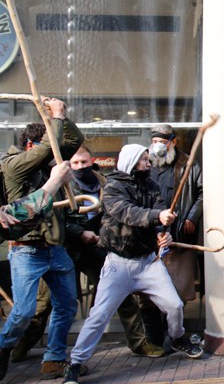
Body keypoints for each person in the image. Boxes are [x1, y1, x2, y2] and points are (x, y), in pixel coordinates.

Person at [62, 144, 203, 384]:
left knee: (175, 305)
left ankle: (178, 337)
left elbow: (159, 214)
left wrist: (164, 232)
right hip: (118, 265)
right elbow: (128, 213)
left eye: (148, 160)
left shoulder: (151, 186)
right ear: (131, 162)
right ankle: (75, 363)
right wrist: (156, 217)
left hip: (149, 262)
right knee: (99, 315)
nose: (149, 164)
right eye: (144, 160)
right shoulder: (113, 188)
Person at [10, 147, 165, 363]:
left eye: (84, 162)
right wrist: (80, 232)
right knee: (45, 305)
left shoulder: (104, 182)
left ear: (91, 160)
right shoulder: (62, 184)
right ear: (69, 165)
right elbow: (56, 217)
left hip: (96, 248)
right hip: (65, 248)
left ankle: (139, 342)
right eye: (76, 164)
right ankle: (20, 348)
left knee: (122, 296)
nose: (81, 167)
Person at [0, 98, 84, 382]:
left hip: (54, 248)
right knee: (23, 312)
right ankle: (3, 348)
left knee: (66, 305)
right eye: (47, 147)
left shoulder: (48, 164)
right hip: (26, 251)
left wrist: (61, 116)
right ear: (29, 147)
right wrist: (56, 117)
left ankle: (54, 359)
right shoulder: (14, 166)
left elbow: (74, 140)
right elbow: (51, 146)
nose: (56, 155)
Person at [139, 124, 203, 347]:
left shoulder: (188, 164)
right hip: (151, 239)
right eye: (154, 140)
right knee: (151, 292)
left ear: (173, 142)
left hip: (179, 237)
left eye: (162, 140)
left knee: (179, 289)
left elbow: (202, 192)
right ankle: (155, 337)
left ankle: (174, 333)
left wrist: (191, 218)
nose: (157, 145)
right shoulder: (145, 165)